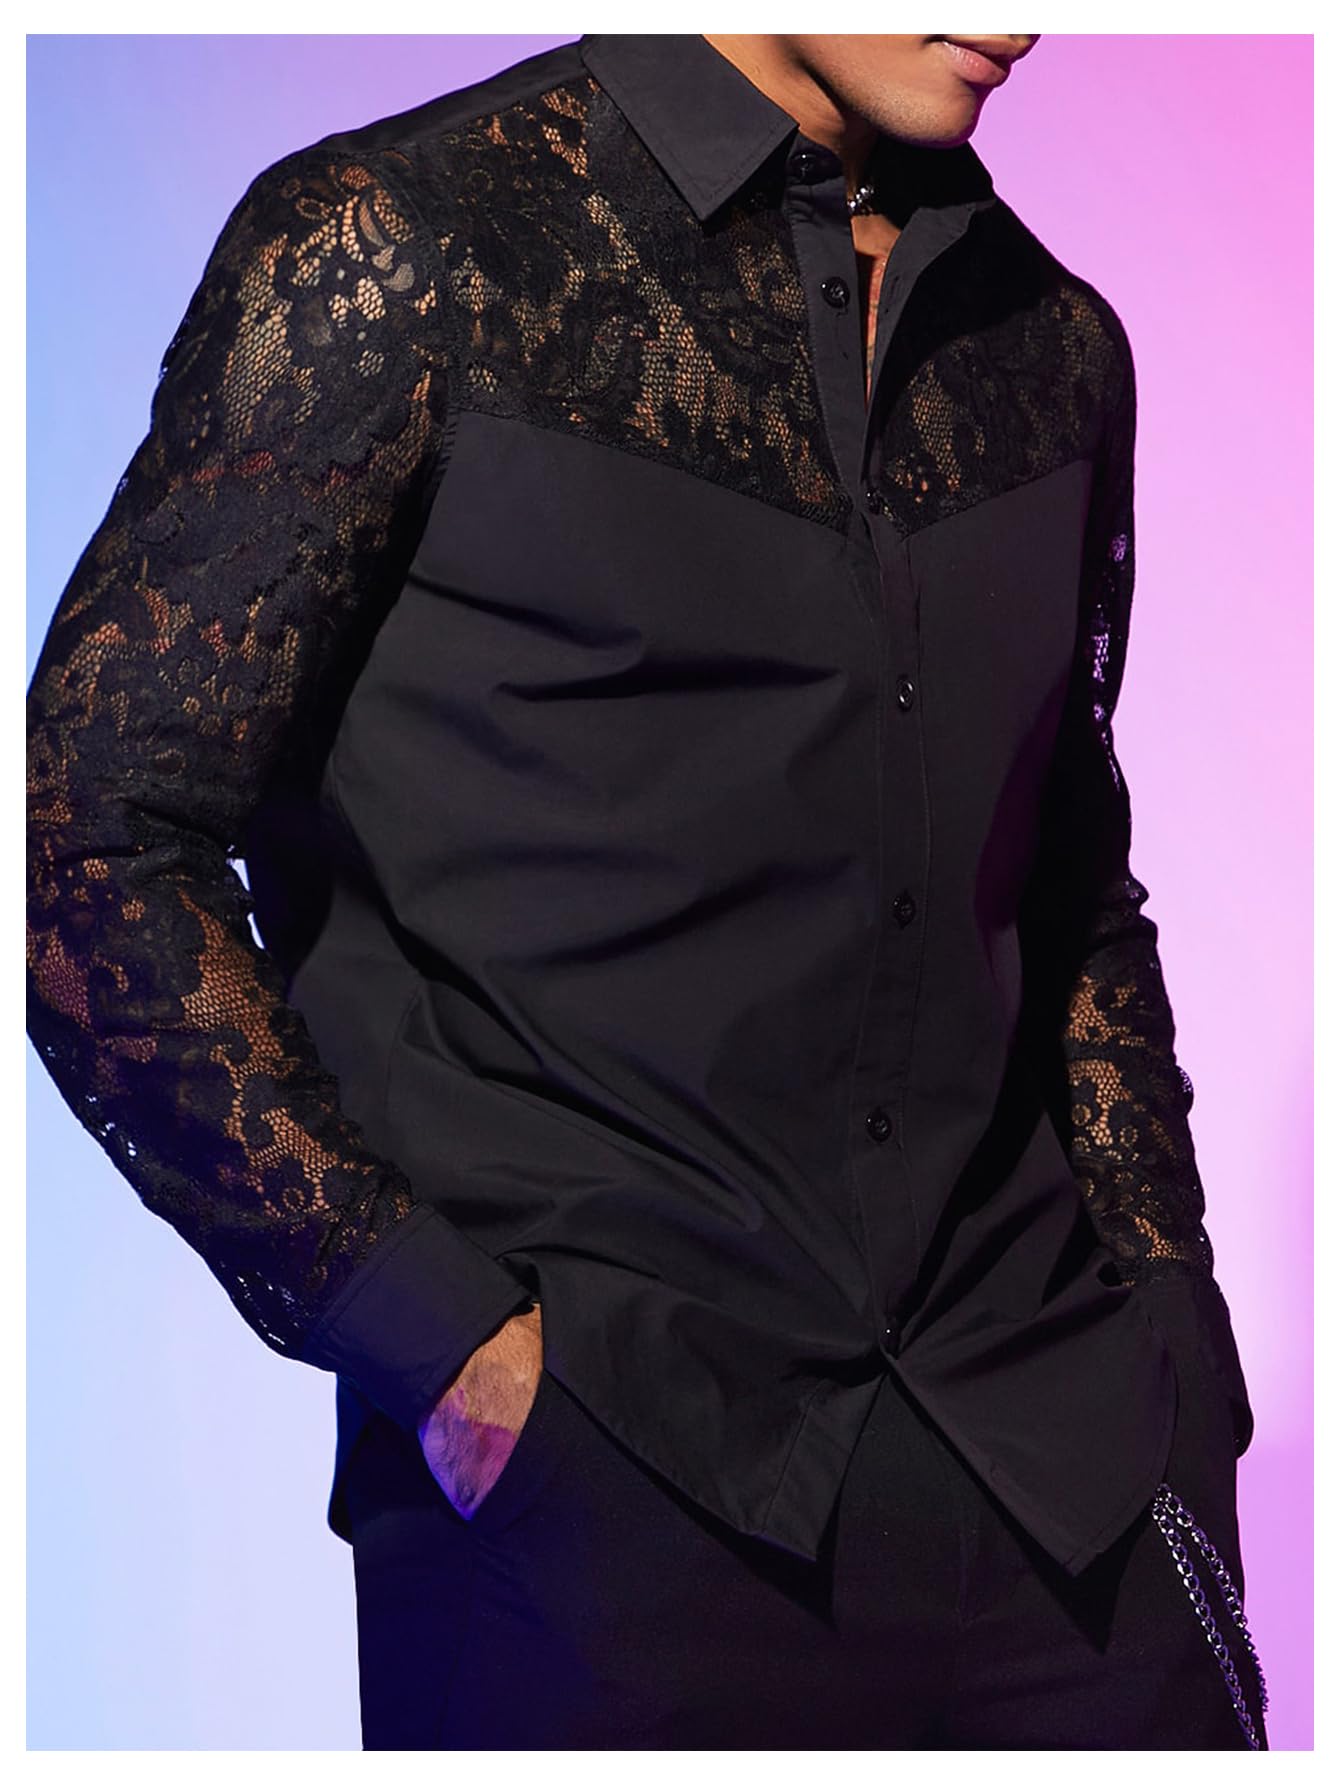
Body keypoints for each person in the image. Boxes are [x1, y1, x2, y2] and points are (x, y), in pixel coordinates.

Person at [25, 31, 1268, 1749]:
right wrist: (433, 1338)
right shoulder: (403, 247)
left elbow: (1066, 884)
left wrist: (1176, 1341)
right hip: (600, 1494)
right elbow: (89, 833)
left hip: (1067, 1493)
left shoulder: (1053, 345)